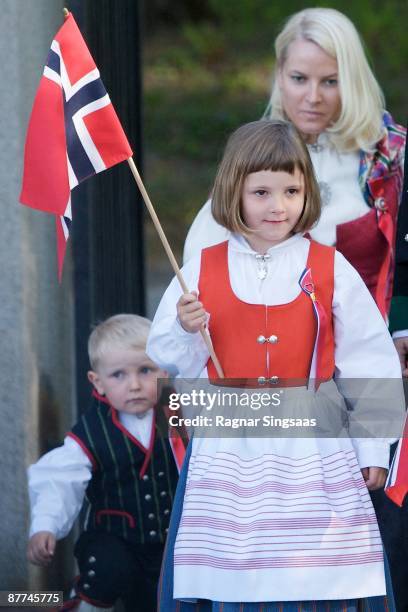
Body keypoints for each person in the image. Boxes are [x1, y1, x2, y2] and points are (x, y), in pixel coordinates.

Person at [147, 120, 405, 611]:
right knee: (231, 570)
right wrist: (183, 327)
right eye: (261, 191)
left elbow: (369, 356)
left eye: (290, 189)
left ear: (307, 191)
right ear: (233, 192)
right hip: (230, 449)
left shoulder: (330, 266)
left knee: (317, 573)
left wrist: (373, 443)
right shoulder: (202, 265)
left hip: (314, 448)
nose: (277, 205)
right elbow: (167, 356)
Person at [183, 7, 407, 366]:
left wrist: (403, 326)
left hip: (369, 356)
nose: (313, 97)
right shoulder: (254, 153)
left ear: (353, 80)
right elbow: (203, 263)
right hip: (272, 363)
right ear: (280, 76)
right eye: (300, 78)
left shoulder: (392, 156)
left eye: (330, 81)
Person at [27, 314, 184, 612]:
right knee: (106, 573)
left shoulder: (177, 412)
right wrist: (45, 525)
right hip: (114, 539)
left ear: (163, 370)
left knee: (163, 595)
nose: (135, 385)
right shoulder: (90, 432)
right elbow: (60, 482)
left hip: (167, 540)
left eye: (145, 370)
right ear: (97, 383)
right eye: (119, 375)